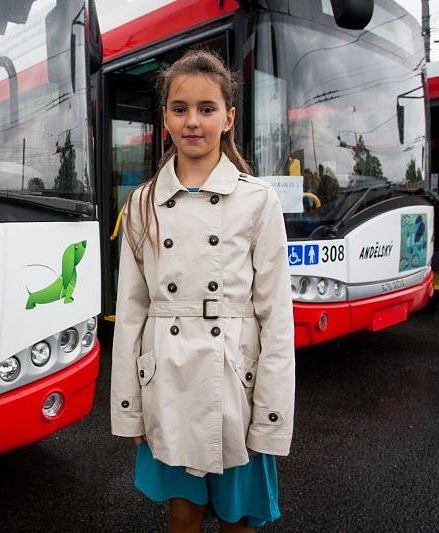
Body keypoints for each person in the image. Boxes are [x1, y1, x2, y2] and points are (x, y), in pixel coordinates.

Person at [110, 49, 295, 532]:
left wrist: (270, 416)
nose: (193, 121)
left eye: (207, 109)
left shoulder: (259, 201)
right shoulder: (142, 203)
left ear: (229, 118)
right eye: (180, 108)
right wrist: (128, 408)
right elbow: (131, 312)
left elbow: (276, 316)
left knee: (237, 515)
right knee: (181, 512)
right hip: (167, 379)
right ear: (165, 119)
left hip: (235, 382)